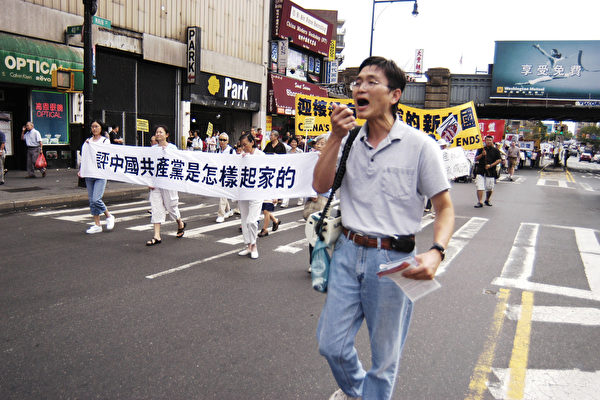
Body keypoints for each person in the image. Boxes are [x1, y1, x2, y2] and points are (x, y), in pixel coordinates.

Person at [312, 56, 455, 400]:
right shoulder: (347, 140)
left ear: (394, 95)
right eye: (357, 82)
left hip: (395, 260)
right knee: (331, 344)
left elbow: (445, 208)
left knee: (384, 360)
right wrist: (335, 137)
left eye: (371, 82)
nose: (360, 88)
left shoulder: (420, 145)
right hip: (347, 252)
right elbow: (320, 185)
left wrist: (437, 252)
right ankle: (362, 393)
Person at [146, 125, 186, 245]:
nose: (158, 134)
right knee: (156, 207)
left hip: (169, 183)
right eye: (157, 132)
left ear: (166, 135)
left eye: (161, 132)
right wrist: (149, 181)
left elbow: (178, 164)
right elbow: (149, 166)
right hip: (156, 183)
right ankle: (157, 236)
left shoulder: (172, 148)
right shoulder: (153, 149)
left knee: (171, 206)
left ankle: (180, 223)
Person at [78, 120, 115, 234]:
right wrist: (81, 169)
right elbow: (85, 157)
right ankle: (97, 224)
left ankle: (109, 216)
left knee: (96, 199)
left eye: (96, 126)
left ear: (101, 128)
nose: (94, 129)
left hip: (100, 174)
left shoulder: (105, 141)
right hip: (89, 173)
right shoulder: (88, 141)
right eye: (92, 126)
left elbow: (108, 155)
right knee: (92, 201)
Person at [237, 133, 263, 259]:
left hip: (257, 192)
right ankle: (248, 245)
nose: (243, 148)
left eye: (245, 145)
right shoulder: (242, 156)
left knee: (252, 220)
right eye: (241, 145)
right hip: (244, 192)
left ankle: (254, 245)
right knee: (244, 219)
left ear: (252, 142)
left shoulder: (261, 156)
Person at [474, 135, 502, 208]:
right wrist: (481, 155)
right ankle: (480, 201)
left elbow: (499, 160)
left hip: (491, 171)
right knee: (479, 186)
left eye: (490, 140)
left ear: (492, 141)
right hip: (481, 170)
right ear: (485, 141)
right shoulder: (481, 149)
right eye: (487, 140)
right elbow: (476, 158)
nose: (488, 141)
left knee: (490, 188)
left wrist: (490, 165)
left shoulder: (496, 150)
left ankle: (487, 199)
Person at [215, 132, 237, 223]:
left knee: (222, 194)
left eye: (224, 140)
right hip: (219, 174)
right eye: (220, 140)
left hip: (228, 174)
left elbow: (235, 164)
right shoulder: (217, 151)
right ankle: (228, 210)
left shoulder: (231, 151)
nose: (222, 142)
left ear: (227, 141)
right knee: (222, 194)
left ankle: (221, 214)